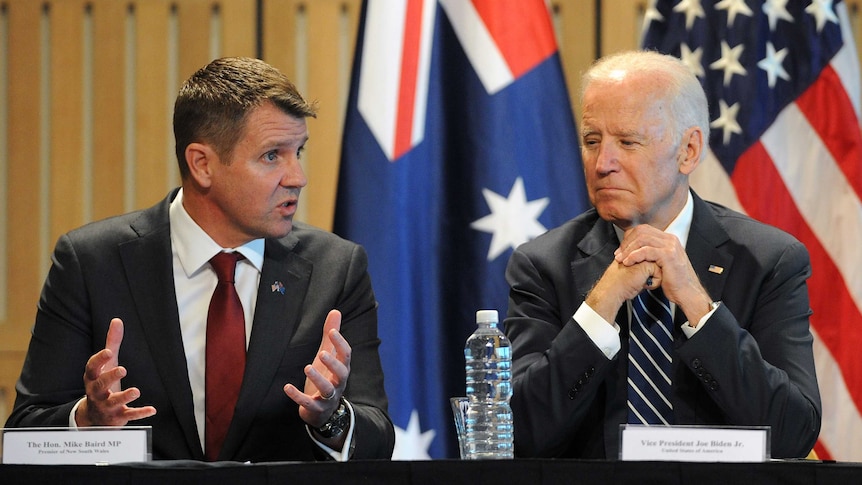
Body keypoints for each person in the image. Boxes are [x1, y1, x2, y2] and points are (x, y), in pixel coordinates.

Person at [6, 57, 395, 462]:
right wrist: (88, 419)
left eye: (299, 151)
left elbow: (378, 438)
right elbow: (25, 432)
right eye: (272, 156)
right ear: (202, 164)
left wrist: (330, 417)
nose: (298, 176)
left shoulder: (336, 268)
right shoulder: (92, 263)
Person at [503, 50, 821, 459]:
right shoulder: (543, 265)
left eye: (628, 142)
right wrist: (601, 305)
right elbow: (518, 432)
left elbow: (794, 433)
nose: (602, 164)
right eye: (591, 141)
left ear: (688, 151)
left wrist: (698, 306)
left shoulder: (768, 261)